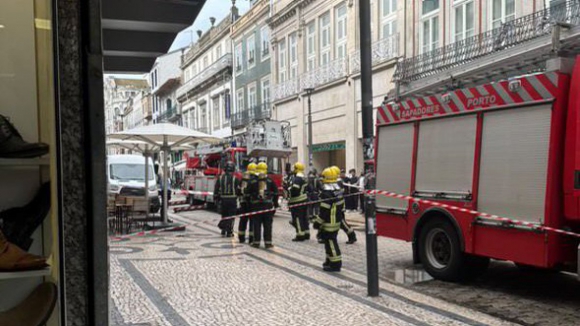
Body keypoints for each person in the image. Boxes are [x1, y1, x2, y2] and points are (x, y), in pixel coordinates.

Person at [313, 167, 344, 272]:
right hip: (336, 221)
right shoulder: (338, 191)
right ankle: (329, 261)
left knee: (331, 243)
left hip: (329, 222)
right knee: (328, 243)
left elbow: (324, 211)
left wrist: (317, 223)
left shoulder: (326, 193)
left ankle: (335, 264)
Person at [247, 162, 278, 248]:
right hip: (268, 206)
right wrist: (275, 204)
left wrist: (249, 204)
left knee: (256, 224)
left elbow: (247, 193)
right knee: (268, 224)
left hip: (256, 206)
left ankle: (256, 242)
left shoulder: (252, 180)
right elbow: (276, 193)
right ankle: (268, 243)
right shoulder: (270, 180)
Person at [214, 161, 240, 237]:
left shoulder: (220, 178)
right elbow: (238, 190)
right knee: (231, 216)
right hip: (232, 200)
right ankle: (229, 231)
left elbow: (216, 189)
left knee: (224, 215)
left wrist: (216, 199)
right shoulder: (235, 179)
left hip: (223, 200)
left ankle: (223, 229)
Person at [333, 166, 357, 244]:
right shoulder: (337, 181)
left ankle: (352, 236)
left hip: (338, 206)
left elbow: (336, 193)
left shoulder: (338, 182)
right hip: (337, 205)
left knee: (342, 223)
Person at [288, 162, 310, 241]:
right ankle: (306, 233)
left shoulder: (297, 179)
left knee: (297, 218)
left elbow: (295, 190)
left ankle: (300, 235)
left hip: (297, 201)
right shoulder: (305, 178)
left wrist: (289, 189)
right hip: (304, 200)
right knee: (304, 218)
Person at [238, 163, 256, 243]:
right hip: (251, 203)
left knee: (243, 220)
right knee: (252, 220)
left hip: (243, 202)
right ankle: (251, 238)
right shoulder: (254, 178)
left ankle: (241, 237)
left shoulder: (244, 178)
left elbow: (240, 190)